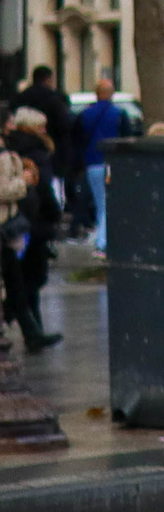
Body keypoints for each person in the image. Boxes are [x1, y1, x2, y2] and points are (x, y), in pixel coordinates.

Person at [1, 107, 60, 349]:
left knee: (15, 280)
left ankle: (31, 332)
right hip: (8, 224)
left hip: (11, 224)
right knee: (16, 279)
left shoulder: (11, 150)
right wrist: (22, 182)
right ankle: (30, 332)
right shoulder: (6, 155)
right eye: (9, 122)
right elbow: (4, 189)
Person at [75, 77, 124, 242]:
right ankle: (103, 241)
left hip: (93, 163)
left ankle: (101, 237)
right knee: (110, 202)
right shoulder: (118, 114)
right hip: (113, 163)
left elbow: (78, 140)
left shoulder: (85, 115)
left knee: (99, 201)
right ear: (112, 94)